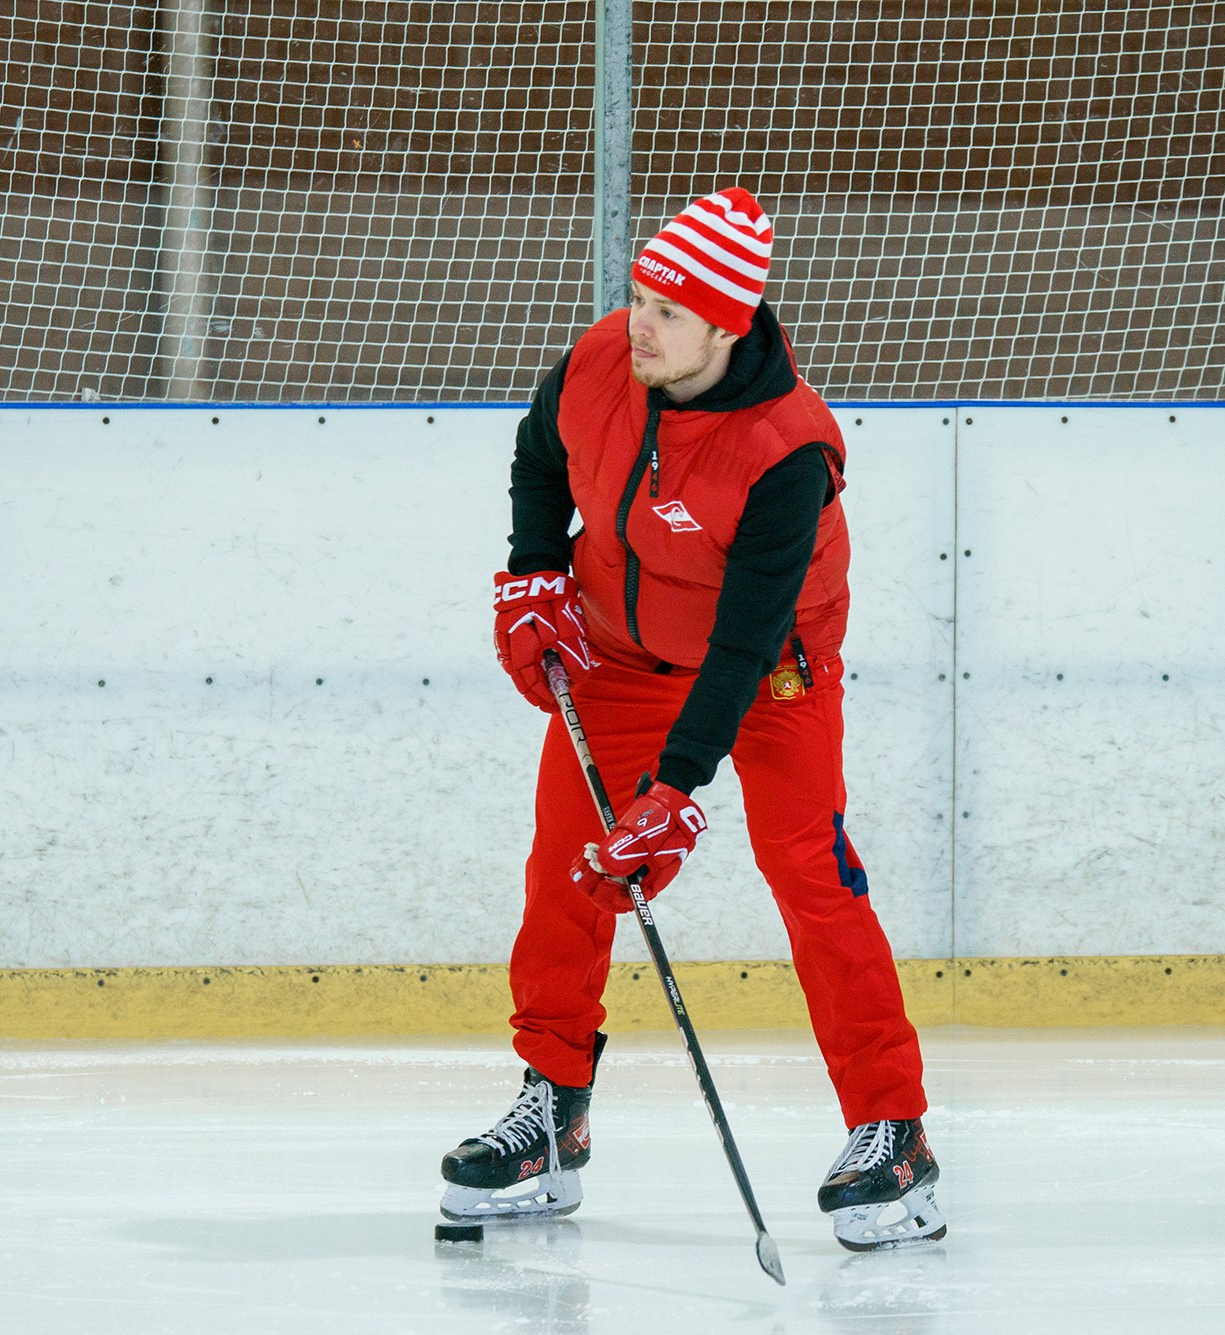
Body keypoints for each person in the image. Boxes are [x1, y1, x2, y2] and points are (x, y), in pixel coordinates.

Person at [436, 188, 944, 1252]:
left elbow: (745, 642)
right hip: (620, 651)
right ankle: (550, 1116)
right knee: (565, 866)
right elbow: (541, 454)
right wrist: (535, 576)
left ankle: (890, 1130)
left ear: (725, 323)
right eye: (636, 298)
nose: (638, 325)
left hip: (766, 673)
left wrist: (672, 791)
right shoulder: (601, 363)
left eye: (666, 311)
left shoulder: (784, 450)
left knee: (810, 870)